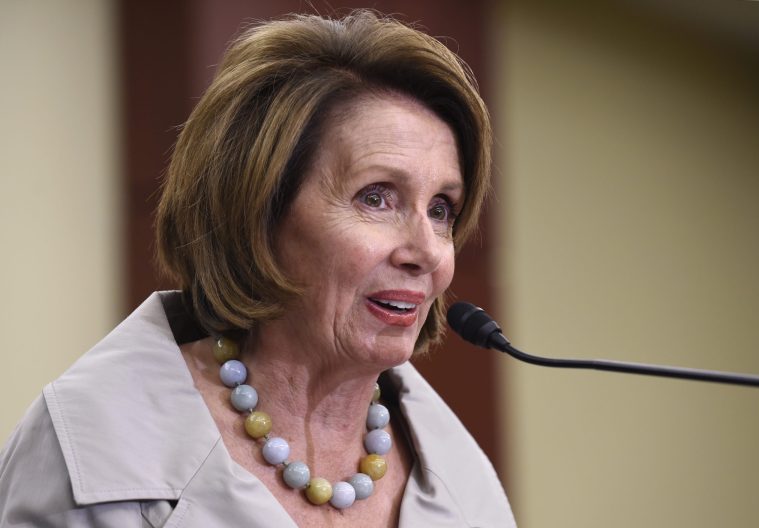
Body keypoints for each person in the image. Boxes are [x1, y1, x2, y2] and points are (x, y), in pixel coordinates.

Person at [0, 10, 515, 527]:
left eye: (441, 208)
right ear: (259, 211)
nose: (426, 252)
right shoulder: (88, 449)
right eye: (376, 198)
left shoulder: (466, 486)